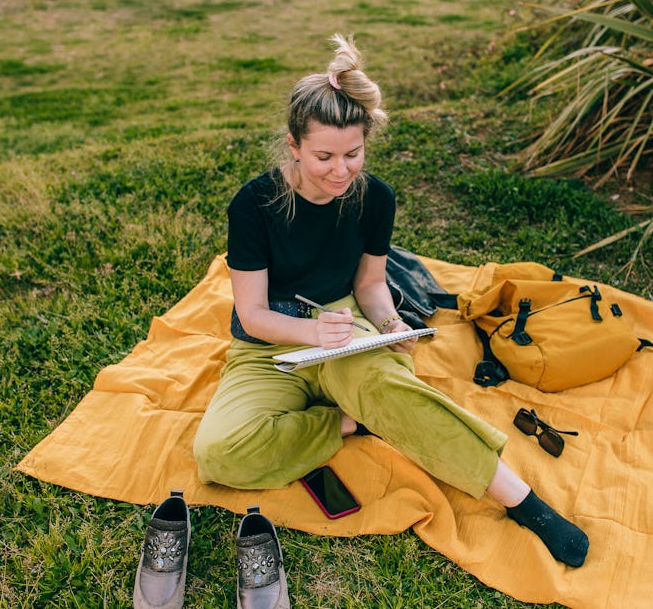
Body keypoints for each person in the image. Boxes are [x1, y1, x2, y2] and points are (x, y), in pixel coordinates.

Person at [193, 34, 589, 570]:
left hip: (344, 327)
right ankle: (350, 422)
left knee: (394, 388)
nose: (340, 171)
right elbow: (252, 314)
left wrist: (390, 323)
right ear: (293, 145)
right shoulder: (255, 204)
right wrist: (312, 334)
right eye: (323, 157)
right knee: (217, 454)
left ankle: (524, 503)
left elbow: (371, 284)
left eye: (352, 154)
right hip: (270, 347)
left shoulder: (374, 196)